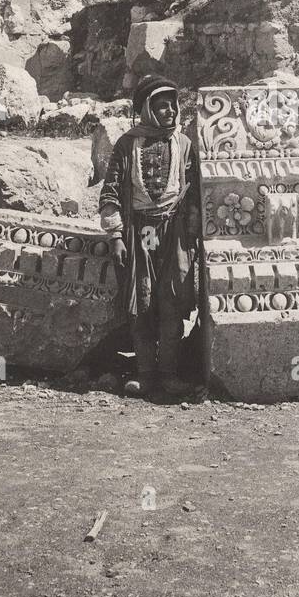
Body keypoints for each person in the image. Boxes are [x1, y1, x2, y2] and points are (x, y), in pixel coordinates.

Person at [98, 74, 201, 398]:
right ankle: (145, 376)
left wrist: (194, 235)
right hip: (138, 234)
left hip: (175, 234)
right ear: (146, 109)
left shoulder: (184, 144)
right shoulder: (127, 144)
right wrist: (115, 236)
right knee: (140, 303)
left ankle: (169, 375)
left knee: (172, 302)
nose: (170, 111)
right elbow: (111, 191)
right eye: (161, 105)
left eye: (172, 105)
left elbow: (195, 193)